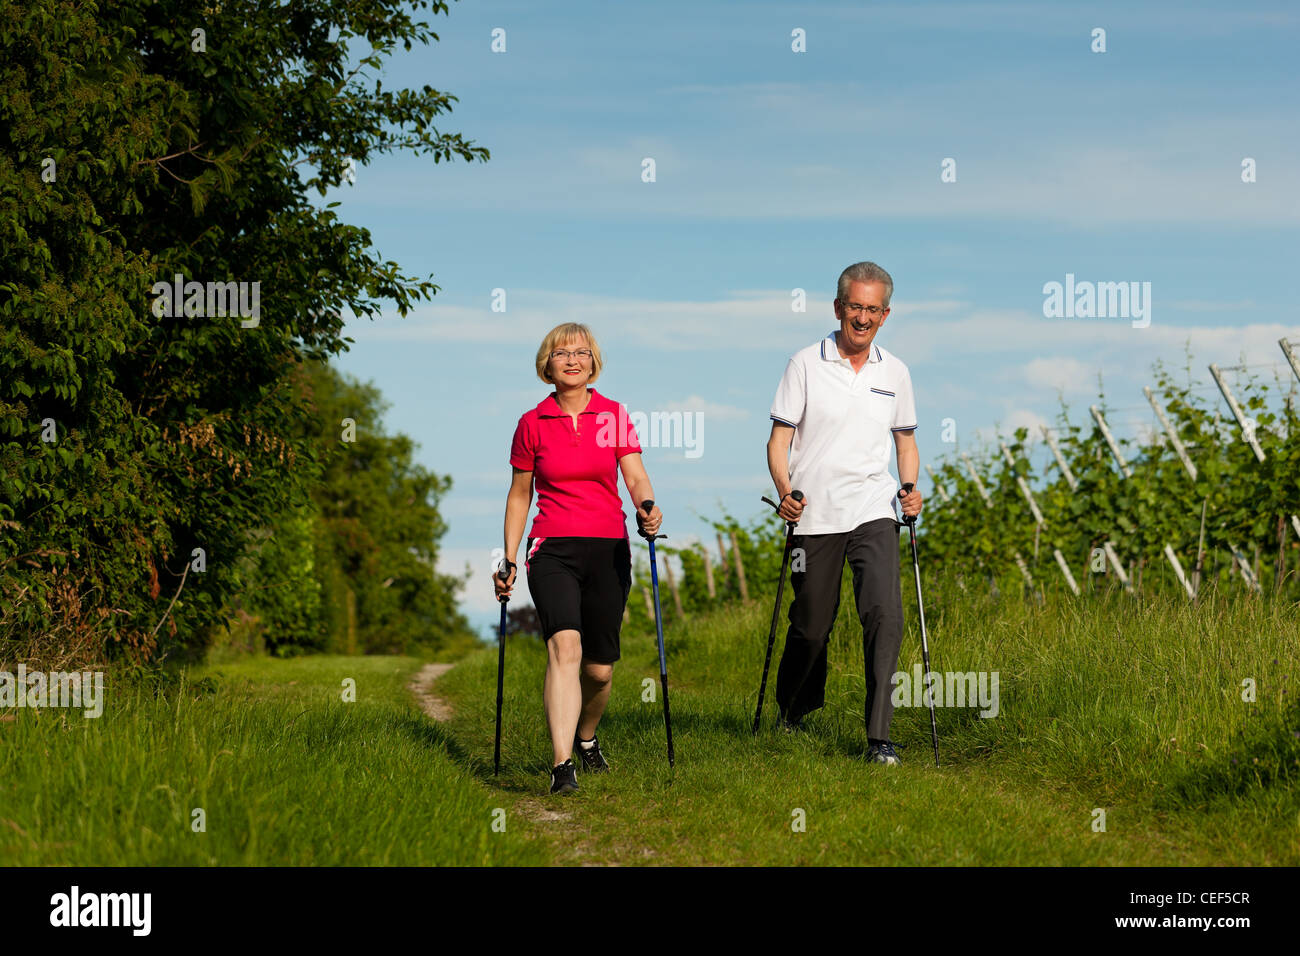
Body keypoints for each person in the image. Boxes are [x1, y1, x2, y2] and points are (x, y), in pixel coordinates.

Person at [766, 261, 922, 765]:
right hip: (814, 515)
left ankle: (879, 737)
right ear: (838, 307)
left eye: (873, 309)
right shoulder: (804, 363)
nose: (863, 317)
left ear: (886, 313)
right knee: (812, 625)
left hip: (875, 509)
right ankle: (793, 707)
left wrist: (911, 488)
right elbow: (779, 440)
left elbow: (906, 442)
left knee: (884, 614)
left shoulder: (895, 372)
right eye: (855, 306)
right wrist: (786, 489)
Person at [496, 322, 662, 795]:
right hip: (552, 548)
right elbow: (518, 496)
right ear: (546, 366)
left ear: (594, 362)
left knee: (599, 668)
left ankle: (586, 739)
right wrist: (508, 559)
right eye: (561, 353)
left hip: (608, 547)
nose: (572, 359)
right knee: (564, 649)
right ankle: (561, 765)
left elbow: (635, 476)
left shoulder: (613, 415)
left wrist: (647, 507)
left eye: (581, 352)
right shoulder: (531, 423)